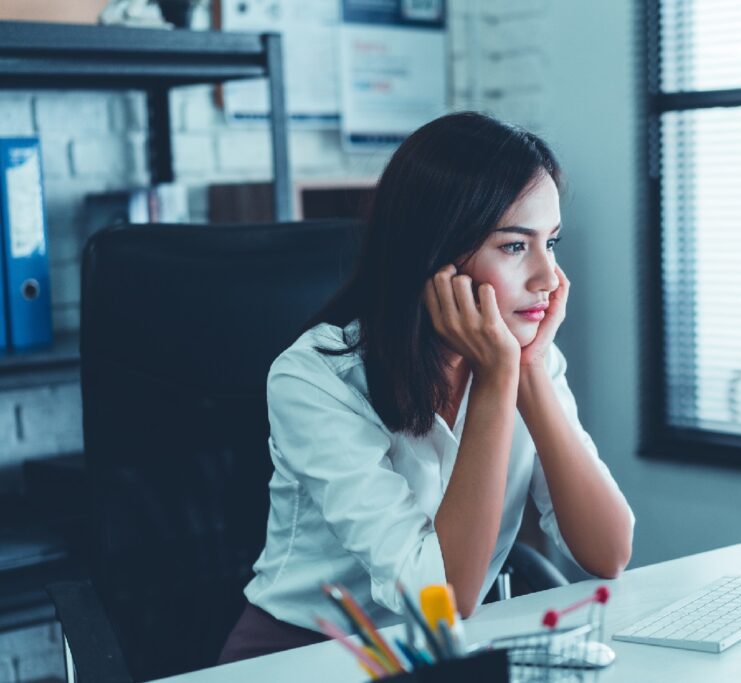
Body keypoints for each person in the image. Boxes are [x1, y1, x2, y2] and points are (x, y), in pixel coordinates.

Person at [219, 112, 635, 664]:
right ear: (437, 253)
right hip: (303, 657)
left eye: (550, 242)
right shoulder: (316, 376)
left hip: (441, 653)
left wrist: (529, 372)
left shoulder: (524, 358)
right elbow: (443, 598)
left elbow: (607, 553)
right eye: (514, 246)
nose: (548, 277)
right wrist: (497, 383)